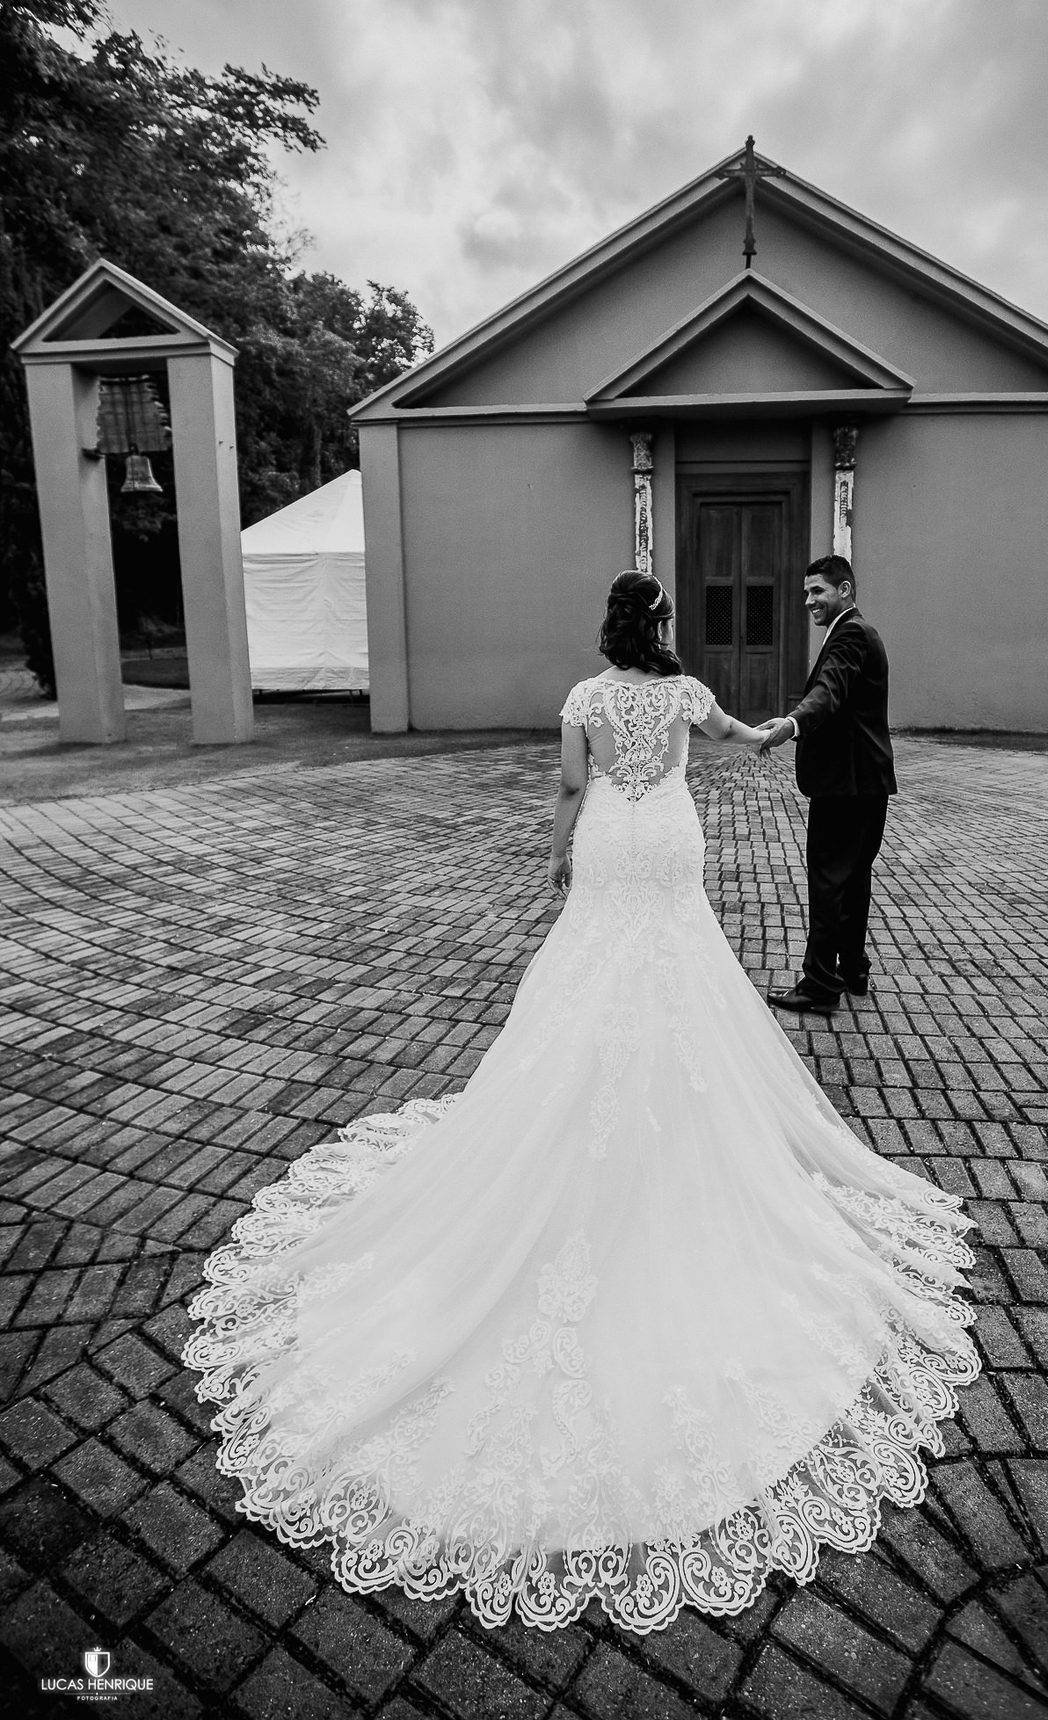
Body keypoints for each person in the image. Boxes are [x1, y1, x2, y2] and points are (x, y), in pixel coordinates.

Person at [185, 569, 977, 1638]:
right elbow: (743, 738)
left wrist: (557, 859)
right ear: (661, 626)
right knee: (683, 980)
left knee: (585, 986)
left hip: (614, 850)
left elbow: (568, 791)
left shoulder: (582, 701)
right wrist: (777, 729)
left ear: (608, 627)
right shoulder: (689, 692)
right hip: (673, 854)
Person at [760, 555, 897, 1015]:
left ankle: (820, 983)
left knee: (827, 881)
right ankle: (853, 970)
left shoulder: (851, 633)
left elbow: (829, 691)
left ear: (845, 590)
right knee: (853, 879)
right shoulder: (854, 633)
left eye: (817, 591)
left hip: (845, 786)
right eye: (806, 592)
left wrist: (794, 723)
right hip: (865, 785)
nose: (808, 601)